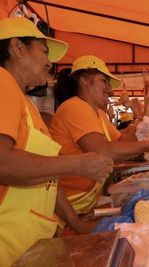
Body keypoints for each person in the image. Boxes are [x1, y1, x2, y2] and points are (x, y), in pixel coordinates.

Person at [0, 17, 114, 264]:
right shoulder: (2, 82)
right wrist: (76, 165)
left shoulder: (24, 103)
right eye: (44, 51)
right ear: (18, 48)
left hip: (30, 242)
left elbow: (46, 176)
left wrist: (75, 223)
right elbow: (3, 163)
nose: (49, 62)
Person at [50, 55, 149, 215]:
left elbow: (125, 141)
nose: (110, 89)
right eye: (104, 81)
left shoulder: (98, 114)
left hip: (86, 203)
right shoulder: (75, 107)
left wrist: (147, 105)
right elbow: (104, 152)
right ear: (85, 80)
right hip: (70, 207)